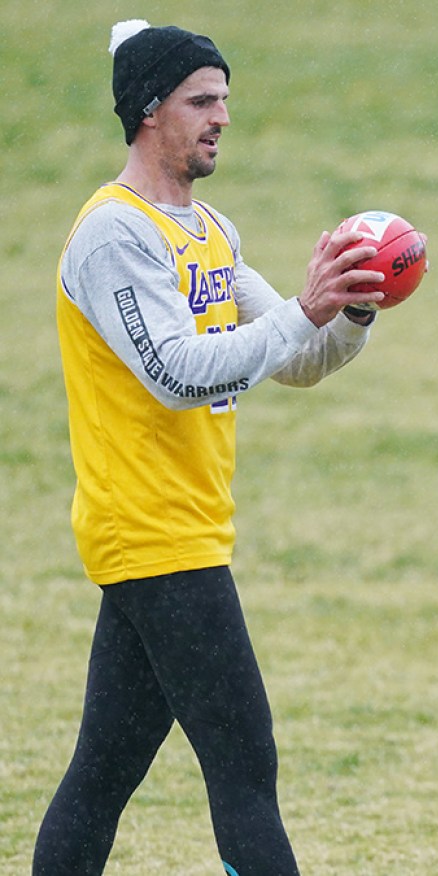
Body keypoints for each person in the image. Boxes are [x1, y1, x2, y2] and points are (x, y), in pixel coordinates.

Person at [37, 20, 389, 876]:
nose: (222, 116)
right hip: (152, 533)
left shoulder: (211, 231)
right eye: (202, 100)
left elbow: (297, 358)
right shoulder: (113, 237)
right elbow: (176, 373)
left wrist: (353, 307)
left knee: (103, 773)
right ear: (149, 111)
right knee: (245, 769)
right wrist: (300, 312)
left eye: (225, 98)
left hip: (180, 529)